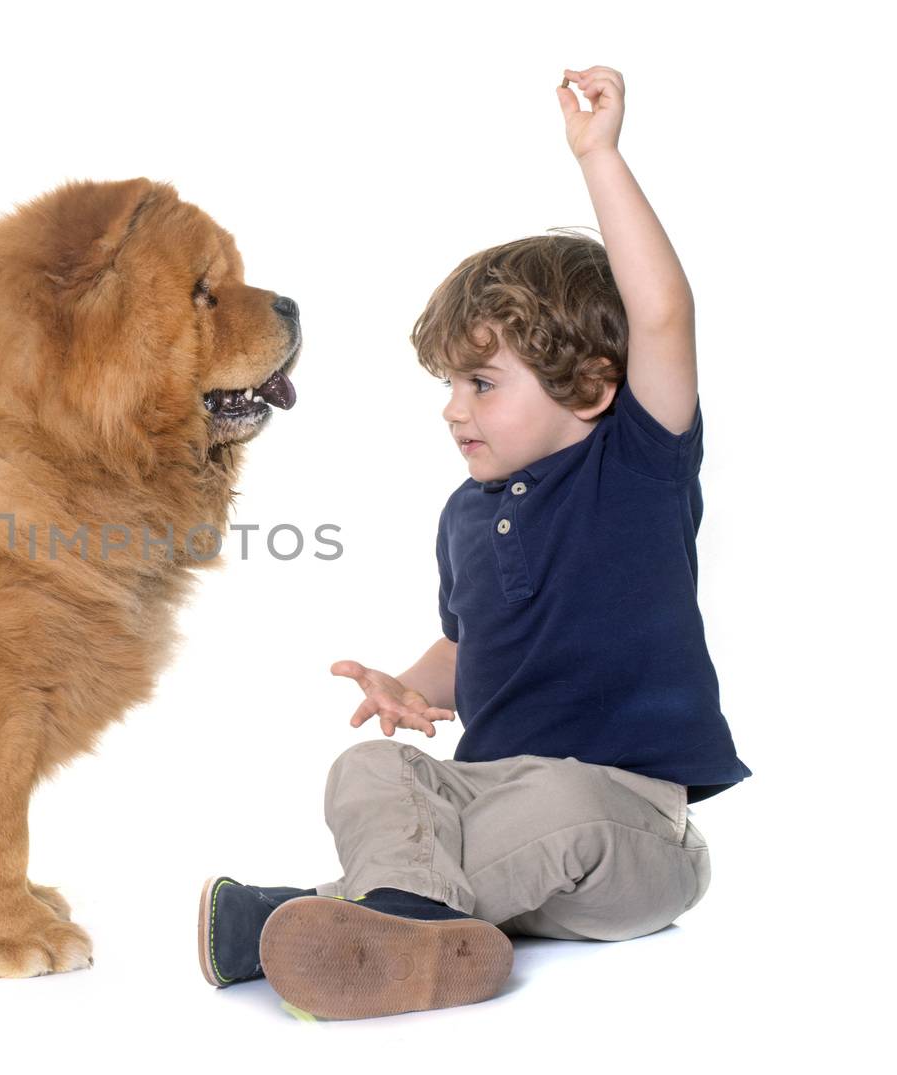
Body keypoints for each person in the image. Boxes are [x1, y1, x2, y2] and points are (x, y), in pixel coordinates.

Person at [198, 66, 751, 1021]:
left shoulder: (635, 468)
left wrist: (600, 156)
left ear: (590, 384)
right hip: (494, 803)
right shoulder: (466, 512)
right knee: (368, 770)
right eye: (449, 386)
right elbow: (471, 643)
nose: (454, 409)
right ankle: (400, 924)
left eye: (482, 384)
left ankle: (330, 916)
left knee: (562, 806)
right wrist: (411, 688)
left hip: (628, 832)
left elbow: (662, 311)